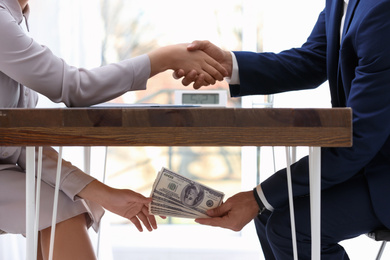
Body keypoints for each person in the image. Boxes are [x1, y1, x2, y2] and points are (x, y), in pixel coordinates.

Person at [0, 0, 227, 259]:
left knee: (61, 208)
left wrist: (106, 194)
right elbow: (75, 87)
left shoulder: (16, 20)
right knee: (60, 212)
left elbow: (20, 144)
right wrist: (164, 59)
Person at [174, 0, 390, 259]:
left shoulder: (382, 10)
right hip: (370, 164)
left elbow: (359, 137)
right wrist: (228, 64)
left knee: (290, 228)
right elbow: (314, 58)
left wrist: (257, 196)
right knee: (269, 214)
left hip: (381, 170)